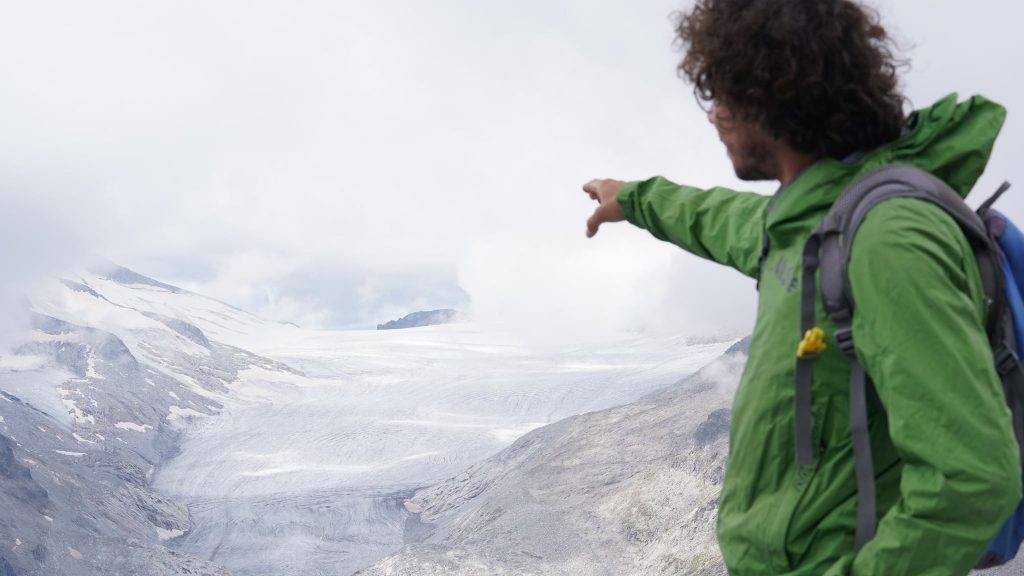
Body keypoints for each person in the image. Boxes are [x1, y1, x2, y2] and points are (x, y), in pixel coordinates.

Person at [582, 0, 1021, 574]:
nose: (714, 117)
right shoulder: (808, 224)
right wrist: (633, 198)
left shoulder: (888, 239)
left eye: (724, 98)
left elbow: (973, 476)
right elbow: (718, 217)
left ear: (775, 97)